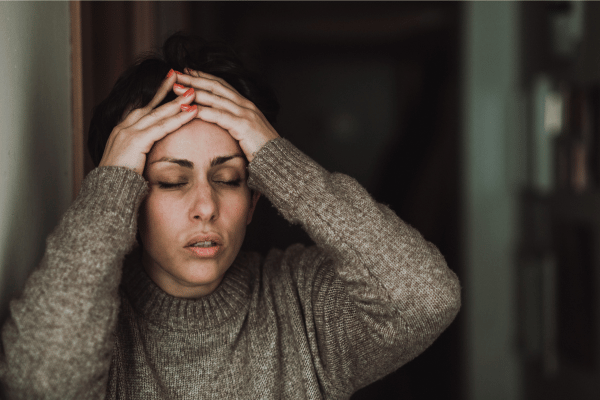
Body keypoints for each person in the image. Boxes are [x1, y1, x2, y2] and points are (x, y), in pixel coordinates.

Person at [0, 33, 461, 399]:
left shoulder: (301, 306)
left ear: (254, 200)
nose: (206, 206)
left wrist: (278, 159)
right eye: (171, 181)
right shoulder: (97, 327)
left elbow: (427, 299)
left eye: (227, 178)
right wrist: (109, 186)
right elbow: (40, 384)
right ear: (129, 200)